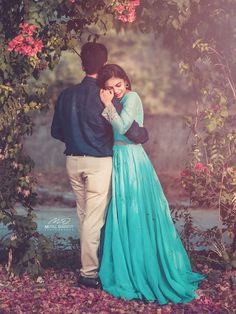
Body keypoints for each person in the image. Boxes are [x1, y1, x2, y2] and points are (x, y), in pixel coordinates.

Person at [97, 64, 205, 304]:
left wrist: (107, 104)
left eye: (118, 84)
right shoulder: (116, 102)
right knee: (122, 212)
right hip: (119, 158)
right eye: (109, 88)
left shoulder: (132, 97)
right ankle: (127, 268)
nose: (116, 90)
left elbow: (124, 127)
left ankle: (146, 269)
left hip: (133, 160)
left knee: (137, 211)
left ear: (126, 81)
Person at [51, 43, 148, 289]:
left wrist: (77, 138)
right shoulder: (106, 96)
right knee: (93, 219)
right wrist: (143, 134)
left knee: (85, 216)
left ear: (82, 65)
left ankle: (90, 266)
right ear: (104, 65)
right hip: (99, 162)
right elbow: (129, 130)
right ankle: (89, 273)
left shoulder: (66, 95)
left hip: (73, 160)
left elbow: (56, 132)